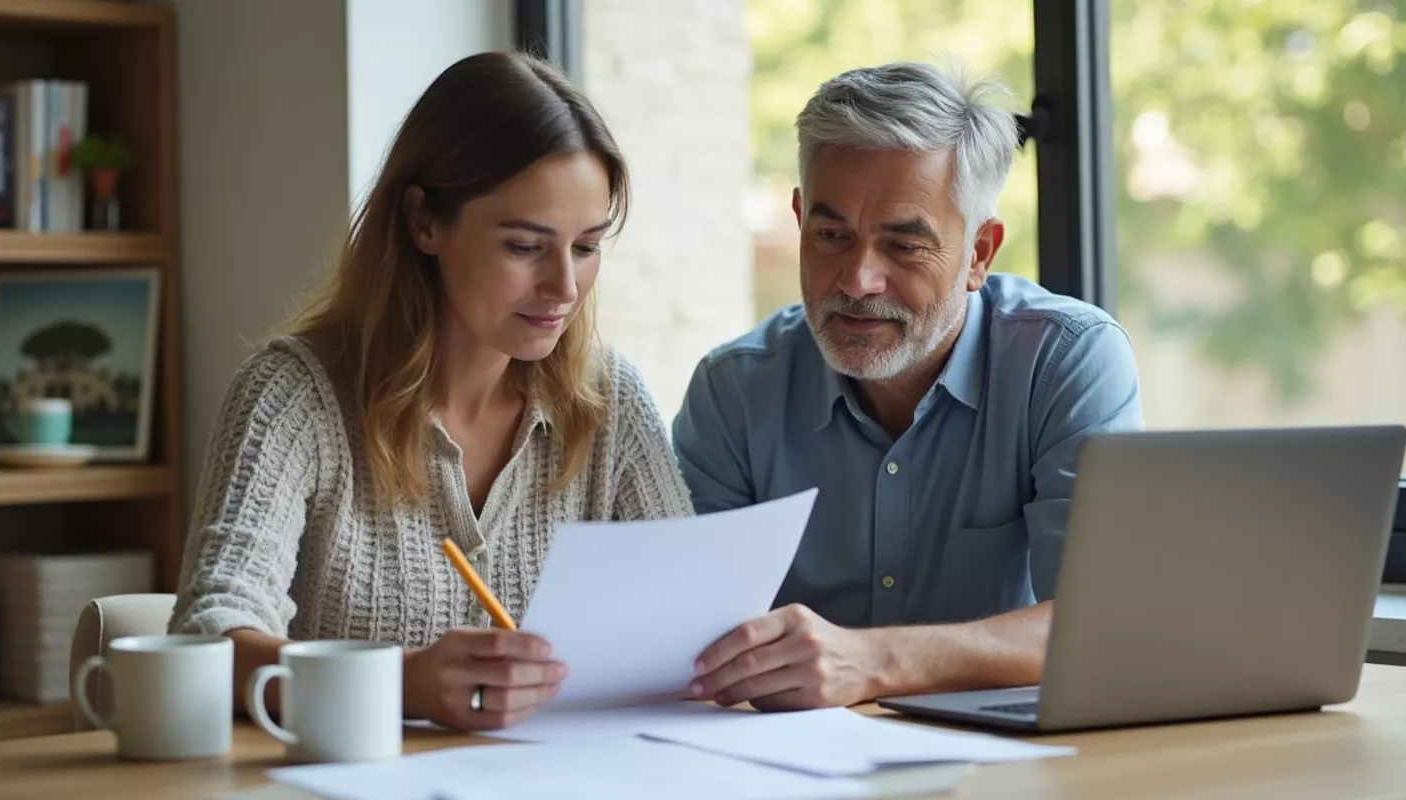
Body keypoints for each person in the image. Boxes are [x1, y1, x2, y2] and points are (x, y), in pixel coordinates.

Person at [168, 51, 693, 732]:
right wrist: (399, 684)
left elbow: (690, 617)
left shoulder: (608, 398)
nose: (564, 288)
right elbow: (207, 642)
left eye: (586, 248)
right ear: (424, 222)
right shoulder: (293, 396)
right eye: (525, 247)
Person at [675, 60, 1144, 710]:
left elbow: (1101, 627)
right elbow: (682, 640)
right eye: (832, 235)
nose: (857, 279)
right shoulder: (733, 391)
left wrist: (874, 661)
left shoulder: (1065, 361)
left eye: (903, 247)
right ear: (799, 217)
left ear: (980, 253)